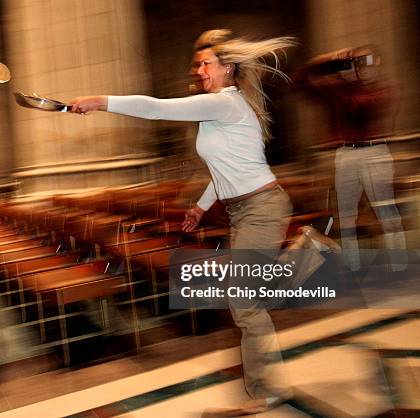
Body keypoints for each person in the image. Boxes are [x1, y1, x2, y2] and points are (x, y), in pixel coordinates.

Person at [70, 29, 297, 415]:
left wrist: (100, 101)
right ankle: (265, 380)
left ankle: (263, 392)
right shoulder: (221, 108)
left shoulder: (224, 104)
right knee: (246, 299)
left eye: (206, 63)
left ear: (228, 68)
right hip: (244, 211)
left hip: (263, 208)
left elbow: (156, 107)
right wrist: (202, 206)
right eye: (198, 63)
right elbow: (227, 168)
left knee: (244, 304)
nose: (200, 69)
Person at [301, 46, 407, 274]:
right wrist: (325, 61)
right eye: (356, 61)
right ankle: (352, 265)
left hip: (374, 152)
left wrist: (349, 83)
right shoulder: (339, 88)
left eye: (366, 61)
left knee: (385, 211)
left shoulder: (380, 90)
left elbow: (361, 109)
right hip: (345, 153)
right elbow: (301, 84)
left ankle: (399, 266)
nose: (362, 66)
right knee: (346, 214)